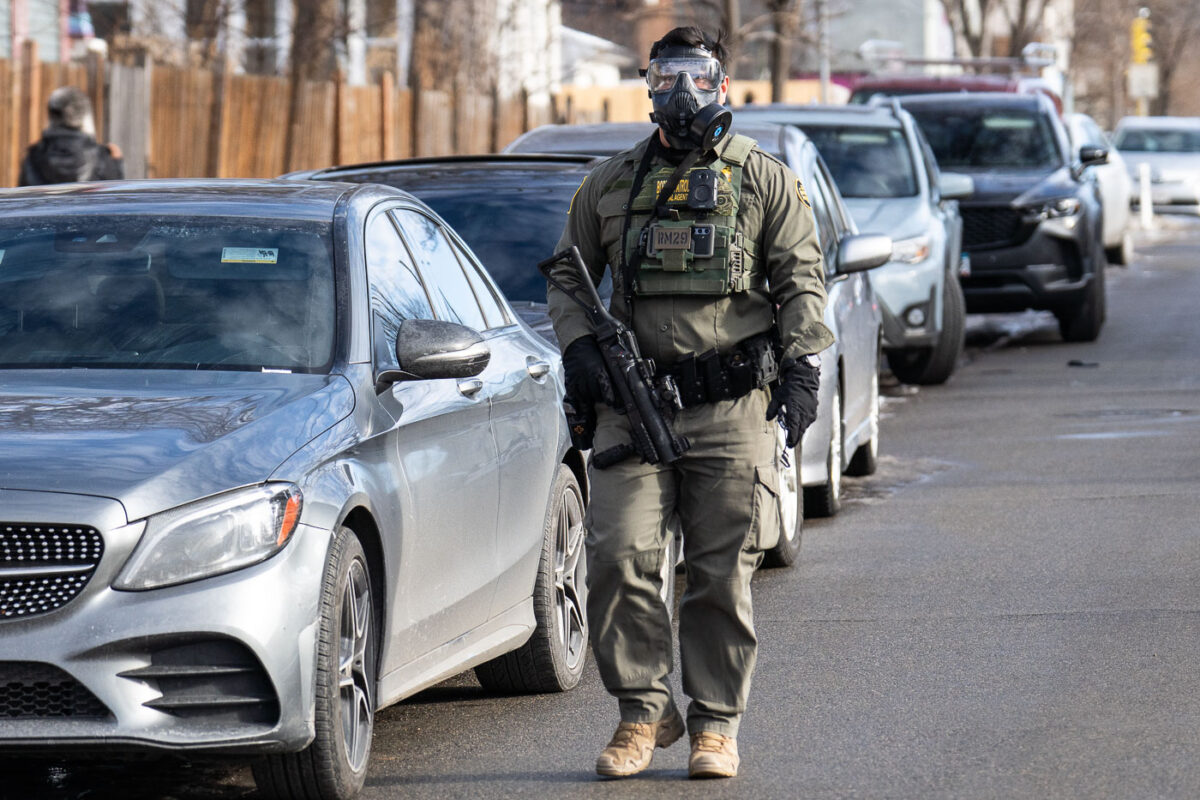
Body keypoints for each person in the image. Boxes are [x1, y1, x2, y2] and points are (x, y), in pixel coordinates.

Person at [546, 26, 832, 780]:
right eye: (666, 76)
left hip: (732, 406)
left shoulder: (764, 179)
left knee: (720, 573)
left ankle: (715, 725)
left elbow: (802, 279)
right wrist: (579, 349)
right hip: (632, 405)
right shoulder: (610, 184)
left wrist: (802, 367)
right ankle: (642, 713)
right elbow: (568, 277)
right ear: (647, 85)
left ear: (723, 86)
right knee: (619, 558)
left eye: (697, 77)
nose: (681, 94)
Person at [19, 86, 124, 186]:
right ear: (85, 115)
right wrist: (116, 164)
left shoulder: (33, 158)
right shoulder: (103, 158)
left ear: (51, 115)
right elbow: (115, 195)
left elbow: (24, 195)